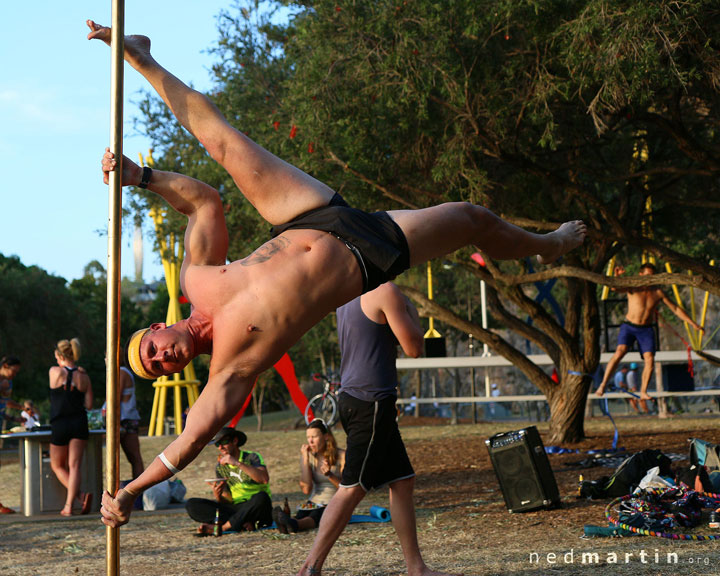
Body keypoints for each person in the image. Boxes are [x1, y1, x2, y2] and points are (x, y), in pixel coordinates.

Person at [87, 20, 586, 528]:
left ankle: (139, 56)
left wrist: (141, 177)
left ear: (155, 330)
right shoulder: (229, 371)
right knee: (473, 218)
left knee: (225, 146)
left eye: (153, 351)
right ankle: (547, 246)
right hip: (364, 257)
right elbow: (187, 442)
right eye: (161, 370)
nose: (164, 359)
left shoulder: (196, 278)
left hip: (308, 214)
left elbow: (203, 202)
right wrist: (130, 490)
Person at [297, 282, 451, 576]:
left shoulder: (347, 296)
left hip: (356, 399)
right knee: (352, 488)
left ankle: (416, 568)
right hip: (372, 404)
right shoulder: (387, 292)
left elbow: (382, 339)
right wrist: (412, 310)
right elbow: (415, 348)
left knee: (403, 481)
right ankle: (310, 567)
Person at [596, 263, 703, 402]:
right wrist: (617, 276)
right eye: (646, 276)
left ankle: (643, 391)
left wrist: (693, 323)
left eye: (652, 277)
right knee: (620, 351)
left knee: (650, 360)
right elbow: (614, 287)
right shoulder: (633, 286)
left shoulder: (658, 292)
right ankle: (603, 384)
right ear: (641, 275)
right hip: (629, 326)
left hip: (645, 329)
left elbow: (675, 309)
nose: (649, 279)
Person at [185, 427, 272, 535]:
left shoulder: (251, 457)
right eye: (217, 444)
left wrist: (237, 463)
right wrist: (218, 495)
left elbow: (263, 479)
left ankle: (224, 527)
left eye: (224, 442)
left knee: (261, 497)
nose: (221, 447)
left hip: (256, 506)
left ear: (235, 441)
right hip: (236, 508)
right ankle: (242, 523)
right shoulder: (220, 467)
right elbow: (227, 500)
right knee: (192, 504)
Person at [273, 418, 345, 534]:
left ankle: (293, 525)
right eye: (308, 437)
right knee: (303, 513)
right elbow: (306, 489)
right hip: (313, 502)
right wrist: (305, 460)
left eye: (314, 437)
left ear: (326, 436)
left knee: (315, 516)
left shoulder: (342, 455)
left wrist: (330, 475)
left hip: (333, 503)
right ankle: (287, 524)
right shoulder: (308, 456)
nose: (310, 441)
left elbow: (345, 489)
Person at [49, 338, 94, 516]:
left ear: (60, 355)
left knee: (57, 465)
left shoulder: (54, 372)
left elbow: (59, 375)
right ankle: (69, 506)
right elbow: (89, 405)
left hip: (60, 423)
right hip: (79, 423)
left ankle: (81, 496)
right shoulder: (84, 377)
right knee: (74, 465)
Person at [102, 352, 145, 480]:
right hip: (124, 418)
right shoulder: (122, 372)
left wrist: (114, 423)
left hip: (123, 420)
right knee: (133, 457)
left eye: (107, 356)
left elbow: (115, 398)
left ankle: (138, 491)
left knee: (132, 457)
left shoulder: (120, 372)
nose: (105, 359)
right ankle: (138, 491)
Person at [0, 355, 22, 514]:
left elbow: (4, 404)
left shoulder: (9, 382)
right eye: (13, 371)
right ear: (5, 366)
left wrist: (15, 415)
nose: (14, 375)